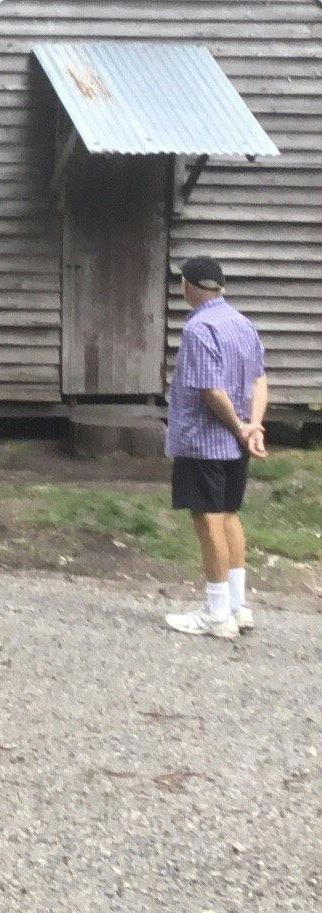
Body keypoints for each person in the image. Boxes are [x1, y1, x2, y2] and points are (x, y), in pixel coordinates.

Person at [162, 256, 268, 641]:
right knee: (229, 516)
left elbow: (210, 390)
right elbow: (259, 381)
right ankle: (239, 608)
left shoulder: (199, 327)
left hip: (204, 442)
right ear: (219, 286)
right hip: (237, 443)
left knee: (207, 521)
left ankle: (217, 613)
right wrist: (253, 426)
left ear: (188, 287)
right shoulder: (242, 323)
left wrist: (241, 426)